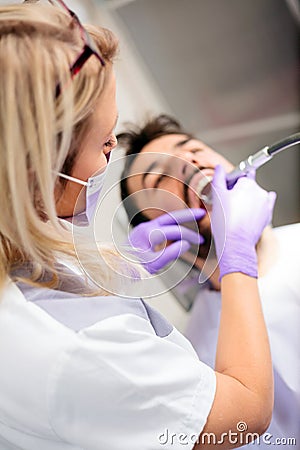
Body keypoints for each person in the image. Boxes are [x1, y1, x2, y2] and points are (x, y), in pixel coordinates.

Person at [0, 3, 276, 449]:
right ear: (38, 173)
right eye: (104, 140)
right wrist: (236, 260)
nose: (194, 170)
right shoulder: (77, 346)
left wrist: (110, 273)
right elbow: (241, 415)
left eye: (190, 148)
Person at [118, 114, 300, 448]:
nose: (188, 163)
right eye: (161, 178)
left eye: (192, 149)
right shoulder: (196, 357)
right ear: (159, 234)